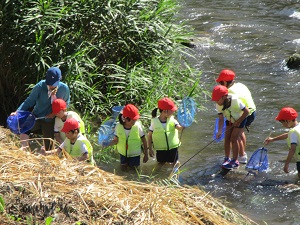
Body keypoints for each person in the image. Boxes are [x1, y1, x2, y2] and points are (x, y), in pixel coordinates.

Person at [11, 67, 70, 151]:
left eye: (54, 83)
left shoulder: (64, 89)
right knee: (24, 127)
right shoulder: (40, 86)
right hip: (37, 116)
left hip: (50, 121)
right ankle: (24, 149)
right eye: (49, 83)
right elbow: (29, 101)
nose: (51, 86)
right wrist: (17, 112)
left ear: (59, 79)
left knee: (48, 147)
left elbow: (66, 104)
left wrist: (53, 114)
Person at [216, 69, 256, 164]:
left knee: (235, 135)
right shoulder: (240, 85)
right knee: (240, 132)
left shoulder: (228, 93)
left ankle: (240, 157)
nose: (219, 84)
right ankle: (242, 155)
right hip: (252, 111)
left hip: (243, 113)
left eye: (220, 82)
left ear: (225, 82)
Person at [212, 85, 249, 169]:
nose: (216, 102)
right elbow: (221, 119)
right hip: (230, 120)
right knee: (227, 137)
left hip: (241, 119)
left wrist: (238, 121)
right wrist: (220, 131)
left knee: (233, 138)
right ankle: (227, 158)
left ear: (224, 97)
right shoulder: (218, 105)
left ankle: (235, 161)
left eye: (217, 99)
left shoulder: (236, 101)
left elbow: (247, 112)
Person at [104, 104, 148, 169]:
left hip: (135, 155)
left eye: (136, 119)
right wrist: (107, 144)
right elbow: (115, 141)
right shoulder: (118, 126)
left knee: (134, 171)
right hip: (123, 155)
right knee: (123, 170)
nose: (135, 121)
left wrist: (146, 154)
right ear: (126, 119)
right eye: (133, 120)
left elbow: (144, 140)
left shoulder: (137, 126)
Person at [264, 107, 300, 178]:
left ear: (288, 121)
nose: (282, 124)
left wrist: (286, 164)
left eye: (282, 122)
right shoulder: (297, 128)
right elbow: (288, 134)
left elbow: (293, 149)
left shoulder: (293, 132)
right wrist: (273, 139)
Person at [148, 97, 184, 164]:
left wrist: (184, 125)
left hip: (173, 149)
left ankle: (175, 174)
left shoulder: (172, 120)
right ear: (165, 111)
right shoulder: (154, 122)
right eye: (172, 111)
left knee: (175, 163)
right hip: (161, 150)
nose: (173, 112)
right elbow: (149, 135)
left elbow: (180, 128)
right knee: (160, 164)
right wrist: (150, 149)